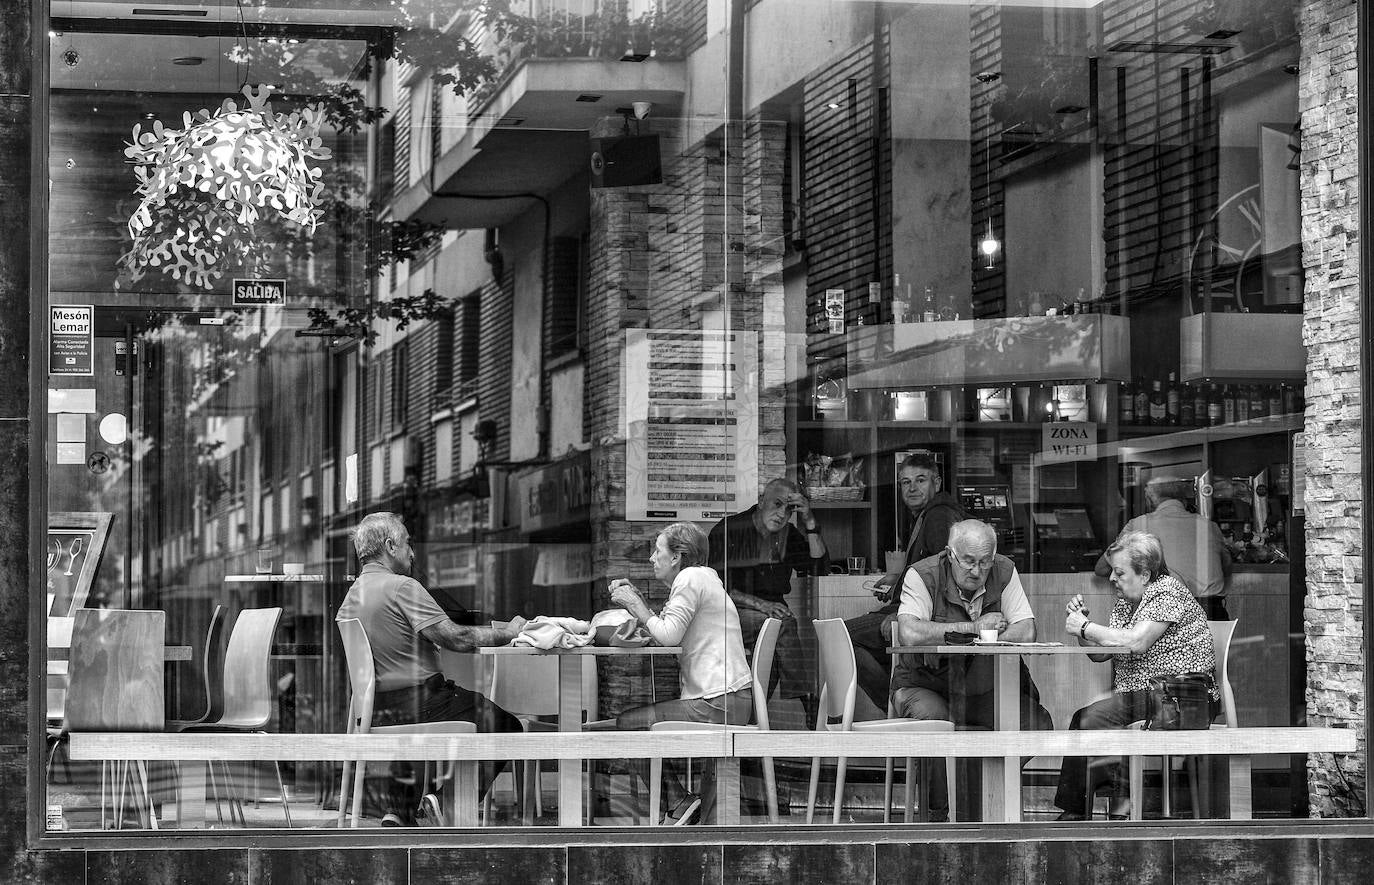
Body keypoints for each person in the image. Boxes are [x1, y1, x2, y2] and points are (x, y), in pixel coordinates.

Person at [336, 512, 524, 826]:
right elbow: (457, 638)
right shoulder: (402, 587)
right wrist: (512, 632)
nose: (412, 552)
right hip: (421, 704)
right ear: (390, 546)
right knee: (507, 727)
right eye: (408, 543)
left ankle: (398, 811)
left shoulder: (352, 596)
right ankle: (443, 800)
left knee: (425, 708)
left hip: (378, 709)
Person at [890, 519, 1053, 820]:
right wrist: (973, 629)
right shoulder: (922, 574)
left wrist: (988, 635)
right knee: (936, 724)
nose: (977, 572)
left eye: (984, 562)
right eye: (968, 562)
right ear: (950, 555)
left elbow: (1027, 631)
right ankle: (937, 821)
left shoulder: (1004, 570)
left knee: (1035, 722)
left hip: (980, 689)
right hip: (926, 685)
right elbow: (909, 633)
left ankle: (983, 804)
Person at [1055, 530, 1219, 821]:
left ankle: (1103, 808)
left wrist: (1085, 627)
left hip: (1182, 696)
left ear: (1145, 574)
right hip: (1148, 694)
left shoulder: (1166, 591)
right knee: (1085, 716)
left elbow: (1136, 641)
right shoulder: (1127, 600)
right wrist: (1083, 629)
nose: (1111, 578)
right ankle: (1091, 807)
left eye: (1119, 572)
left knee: (1094, 718)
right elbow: (1101, 653)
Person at [610, 522, 753, 825]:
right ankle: (687, 809)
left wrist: (635, 604)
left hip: (718, 701)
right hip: (729, 697)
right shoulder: (704, 578)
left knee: (628, 724)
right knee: (714, 820)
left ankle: (678, 801)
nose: (652, 557)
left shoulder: (690, 578)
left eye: (657, 550)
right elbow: (667, 627)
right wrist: (641, 605)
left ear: (676, 557)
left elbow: (669, 636)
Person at [845, 452, 965, 710]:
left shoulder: (939, 516)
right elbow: (928, 570)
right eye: (905, 482)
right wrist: (899, 580)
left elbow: (947, 575)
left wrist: (911, 621)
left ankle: (899, 698)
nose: (912, 488)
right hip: (910, 611)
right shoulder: (928, 514)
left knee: (842, 637)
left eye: (920, 480)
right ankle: (908, 692)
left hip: (917, 617)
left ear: (937, 483)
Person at [707, 478, 826, 727]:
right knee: (780, 624)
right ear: (761, 501)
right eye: (777, 504)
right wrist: (762, 606)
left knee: (769, 661)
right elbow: (717, 586)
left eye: (789, 509)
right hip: (730, 610)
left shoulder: (789, 534)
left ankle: (748, 726)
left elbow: (817, 567)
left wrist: (810, 523)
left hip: (772, 612)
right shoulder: (731, 529)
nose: (783, 514)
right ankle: (808, 701)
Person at [1095, 476, 1232, 620]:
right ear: (1184, 499)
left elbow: (1101, 569)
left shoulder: (1138, 525)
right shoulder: (1209, 526)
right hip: (1214, 616)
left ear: (1150, 498)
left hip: (1167, 616)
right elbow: (1227, 567)